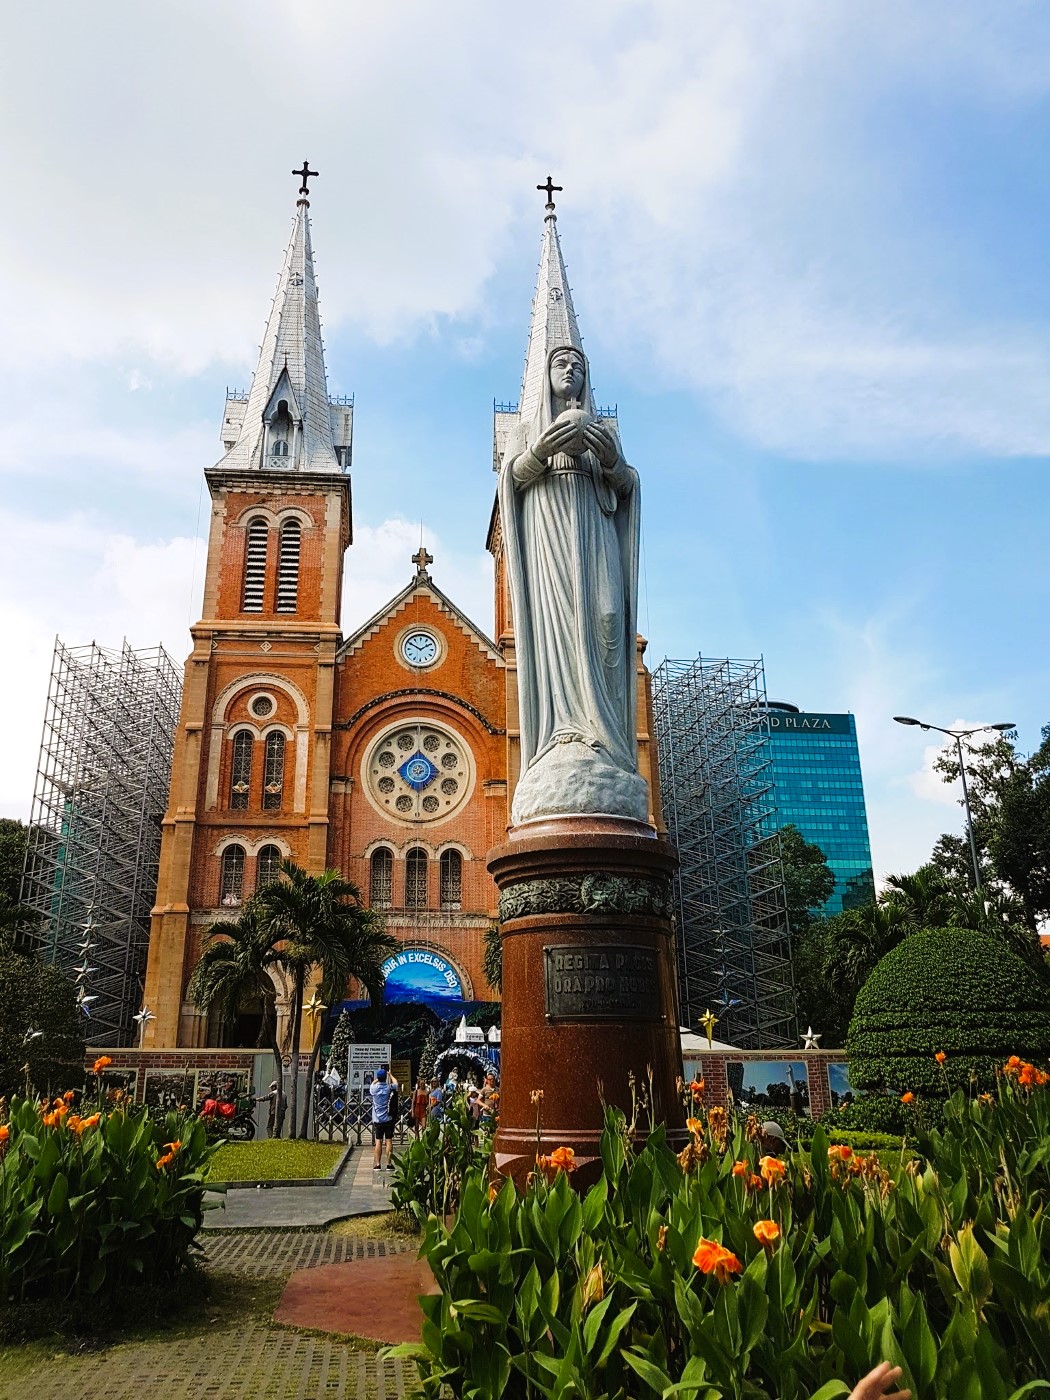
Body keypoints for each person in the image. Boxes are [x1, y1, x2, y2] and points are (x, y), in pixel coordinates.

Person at [498, 343, 647, 824]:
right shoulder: (526, 428)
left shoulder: (602, 430)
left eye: (578, 364)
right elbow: (512, 480)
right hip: (552, 545)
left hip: (597, 539)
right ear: (546, 375)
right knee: (558, 635)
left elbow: (626, 487)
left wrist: (612, 464)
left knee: (608, 619)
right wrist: (541, 450)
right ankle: (563, 734)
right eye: (560, 363)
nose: (571, 369)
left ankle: (605, 740)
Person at [369, 1066, 396, 1170]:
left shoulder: (373, 1089)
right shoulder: (389, 1087)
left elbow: (373, 1083)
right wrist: (390, 1075)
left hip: (378, 1120)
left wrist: (377, 1078)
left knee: (378, 1141)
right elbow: (396, 1084)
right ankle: (389, 1164)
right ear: (385, 1078)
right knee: (389, 1140)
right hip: (388, 1119)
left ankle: (378, 1164)